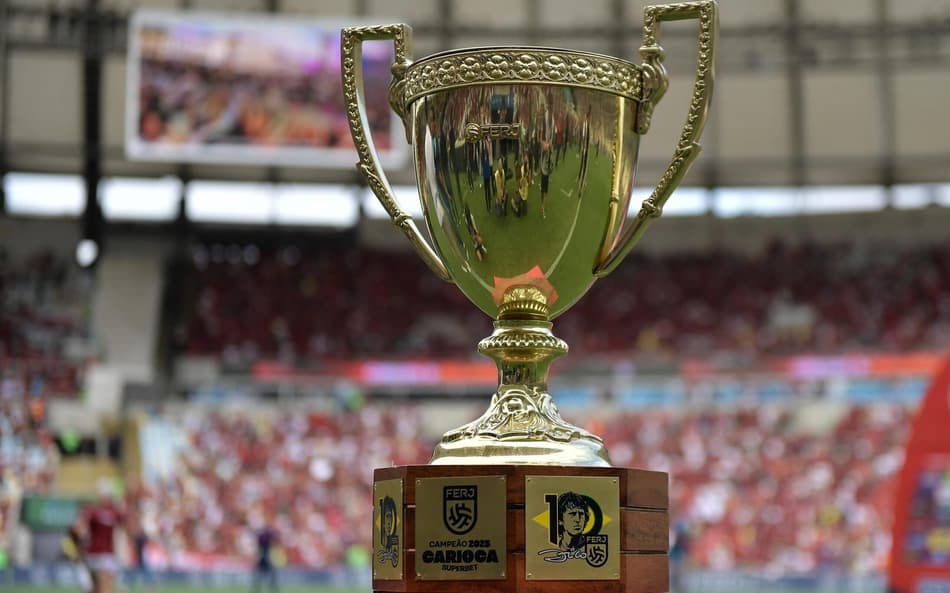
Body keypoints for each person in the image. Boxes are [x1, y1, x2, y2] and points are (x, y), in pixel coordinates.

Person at [78, 479, 127, 593]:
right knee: (104, 587)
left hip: (94, 554)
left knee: (95, 588)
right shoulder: (113, 511)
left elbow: (81, 530)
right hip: (105, 554)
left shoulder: (92, 510)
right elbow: (126, 523)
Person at [251, 523, 279, 593]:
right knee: (269, 573)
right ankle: (271, 587)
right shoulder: (265, 538)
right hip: (265, 556)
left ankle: (257, 588)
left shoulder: (262, 537)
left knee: (261, 574)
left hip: (263, 556)